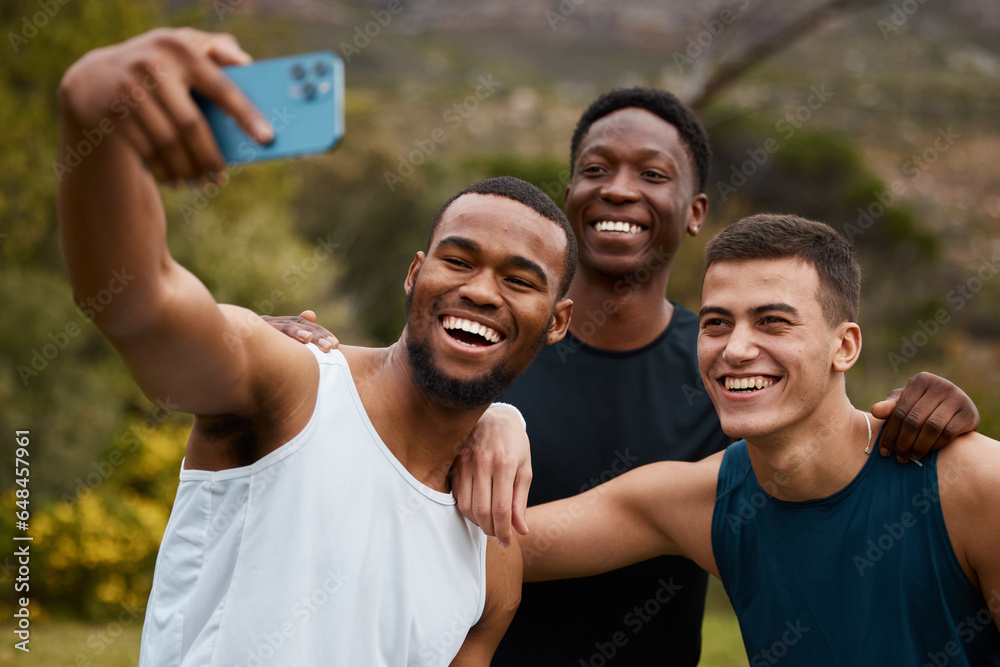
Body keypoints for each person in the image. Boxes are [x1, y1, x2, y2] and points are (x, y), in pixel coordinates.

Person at [278, 87, 981, 665]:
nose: (737, 349)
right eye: (720, 323)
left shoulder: (733, 390)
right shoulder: (486, 349)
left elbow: (824, 427)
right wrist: (299, 364)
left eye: (652, 174)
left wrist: (938, 413)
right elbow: (384, 425)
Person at [57, 27, 580, 665]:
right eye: (458, 261)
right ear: (415, 274)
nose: (480, 291)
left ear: (557, 321)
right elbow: (140, 302)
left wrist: (502, 417)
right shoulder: (291, 385)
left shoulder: (494, 554)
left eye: (519, 280)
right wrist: (92, 116)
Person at [522, 213, 1000, 665]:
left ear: (845, 346)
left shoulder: (974, 484)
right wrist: (493, 419)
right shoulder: (701, 500)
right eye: (716, 324)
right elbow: (486, 554)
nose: (735, 349)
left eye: (772, 321)